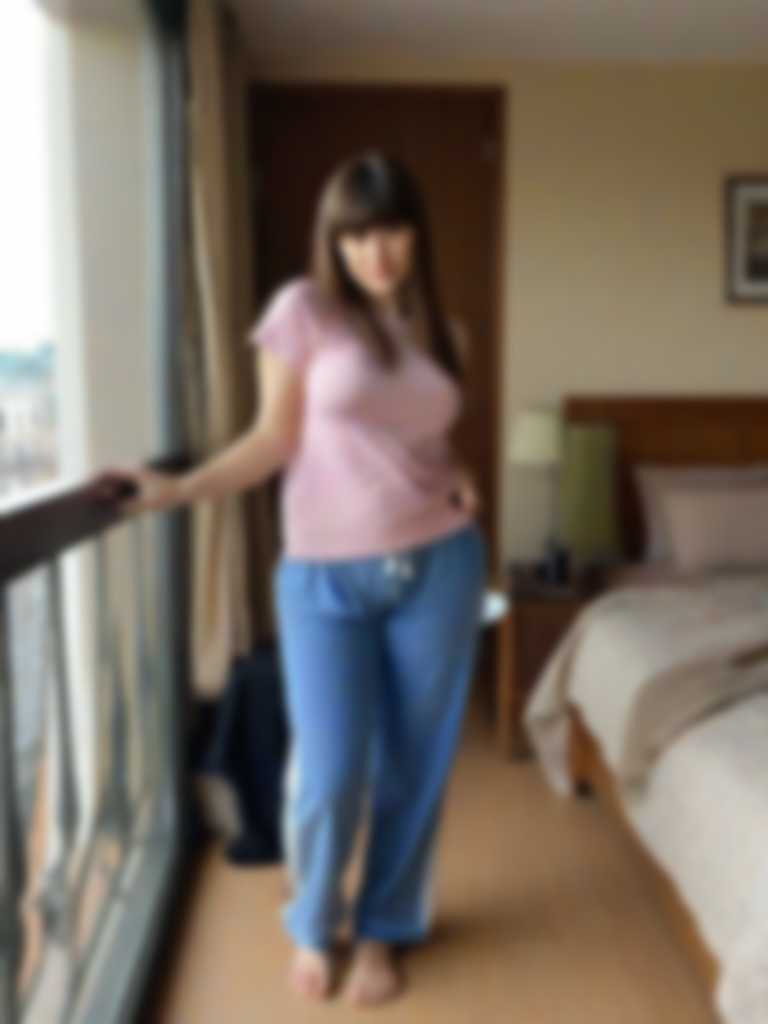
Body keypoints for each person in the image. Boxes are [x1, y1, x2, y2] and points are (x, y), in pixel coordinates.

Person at [95, 150, 488, 1008]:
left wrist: (459, 471)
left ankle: (384, 929)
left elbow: (420, 444)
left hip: (440, 564)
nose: (375, 253)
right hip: (324, 580)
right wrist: (180, 489)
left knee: (414, 765)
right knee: (331, 770)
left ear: (417, 233)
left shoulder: (447, 333)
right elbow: (274, 438)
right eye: (355, 235)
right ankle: (314, 919)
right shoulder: (303, 312)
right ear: (332, 241)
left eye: (391, 231)